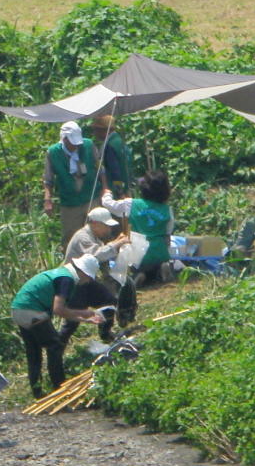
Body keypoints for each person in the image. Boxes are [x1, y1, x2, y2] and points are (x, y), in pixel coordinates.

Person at [11, 254, 106, 398]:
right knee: (55, 346)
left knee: (34, 352)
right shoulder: (66, 280)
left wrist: (85, 319)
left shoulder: (61, 273)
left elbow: (63, 312)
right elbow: (58, 310)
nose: (87, 281)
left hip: (18, 309)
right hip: (32, 310)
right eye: (88, 278)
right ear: (83, 272)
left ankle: (38, 393)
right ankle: (60, 389)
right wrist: (86, 312)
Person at [62, 205, 134, 336]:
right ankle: (57, 347)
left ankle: (106, 332)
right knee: (71, 323)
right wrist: (116, 244)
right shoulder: (82, 237)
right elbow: (96, 255)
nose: (108, 229)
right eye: (105, 226)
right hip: (76, 283)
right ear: (95, 224)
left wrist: (117, 243)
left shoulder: (94, 237)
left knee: (108, 300)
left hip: (86, 280)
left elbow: (103, 251)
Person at [43, 121, 104, 246]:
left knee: (97, 231)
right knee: (71, 236)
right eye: (72, 142)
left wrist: (105, 188)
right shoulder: (52, 153)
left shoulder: (88, 145)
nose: (76, 146)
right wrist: (47, 200)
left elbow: (100, 169)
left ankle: (101, 261)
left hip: (91, 196)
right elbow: (48, 179)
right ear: (64, 139)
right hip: (70, 201)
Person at [113, 170, 176, 285]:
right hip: (159, 252)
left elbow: (109, 205)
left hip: (139, 254)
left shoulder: (131, 203)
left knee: (129, 256)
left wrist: (106, 193)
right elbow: (167, 235)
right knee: (157, 263)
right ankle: (162, 267)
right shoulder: (167, 210)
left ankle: (138, 274)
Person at [91, 114, 135, 200]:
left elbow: (115, 171)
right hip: (127, 187)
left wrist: (119, 192)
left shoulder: (109, 146)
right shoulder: (119, 141)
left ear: (104, 130)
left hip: (115, 193)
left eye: (96, 130)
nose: (94, 133)